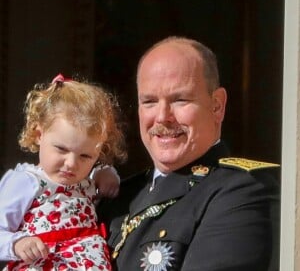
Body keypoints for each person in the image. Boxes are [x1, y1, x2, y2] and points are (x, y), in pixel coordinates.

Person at [96, 36, 280, 271]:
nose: (162, 117)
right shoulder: (116, 198)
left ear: (217, 106)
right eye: (150, 101)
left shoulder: (244, 191)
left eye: (180, 100)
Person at [0, 74, 127, 270]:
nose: (71, 164)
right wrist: (17, 244)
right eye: (61, 149)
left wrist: (106, 173)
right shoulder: (26, 182)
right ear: (38, 134)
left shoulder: (88, 182)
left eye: (85, 156)